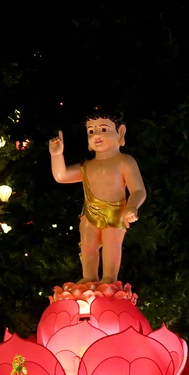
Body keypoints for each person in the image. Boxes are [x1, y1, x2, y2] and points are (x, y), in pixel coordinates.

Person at [49, 109, 146, 284]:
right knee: (88, 245)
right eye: (91, 131)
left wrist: (132, 206)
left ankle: (109, 278)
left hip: (115, 212)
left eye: (104, 129)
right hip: (90, 213)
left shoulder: (124, 161)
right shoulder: (87, 166)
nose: (96, 135)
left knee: (111, 245)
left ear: (120, 132)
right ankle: (89, 276)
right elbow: (61, 176)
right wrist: (56, 155)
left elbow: (138, 190)